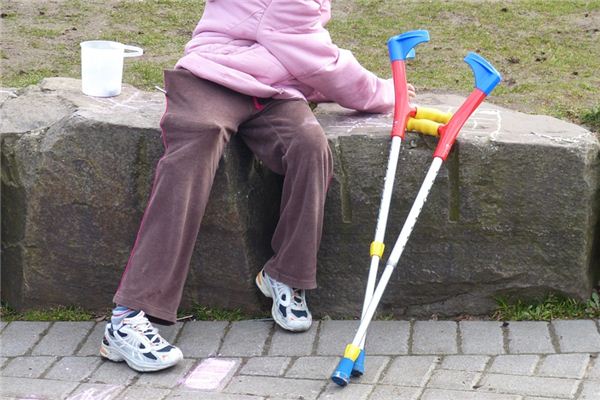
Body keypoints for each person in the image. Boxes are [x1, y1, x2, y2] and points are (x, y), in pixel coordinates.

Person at [100, 0, 416, 372]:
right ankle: (127, 317)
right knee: (194, 151)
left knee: (310, 146)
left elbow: (303, 54)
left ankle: (284, 274)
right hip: (211, 78)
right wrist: (389, 93)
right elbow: (321, 61)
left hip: (272, 92)